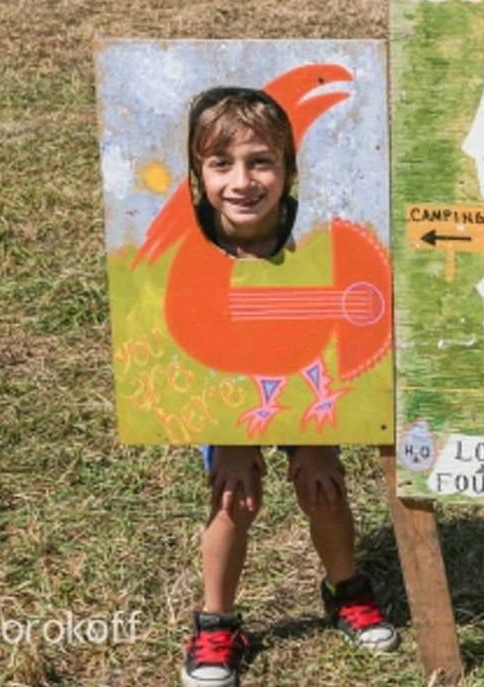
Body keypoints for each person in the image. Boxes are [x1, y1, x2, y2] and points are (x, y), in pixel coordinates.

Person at [180, 88, 398, 687]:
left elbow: (341, 324)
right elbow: (187, 335)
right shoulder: (190, 239)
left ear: (291, 169)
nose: (242, 181)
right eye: (221, 164)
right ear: (198, 174)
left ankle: (346, 588)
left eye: (261, 162)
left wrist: (321, 431)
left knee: (322, 485)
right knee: (233, 496)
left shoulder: (318, 228)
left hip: (308, 378)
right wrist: (226, 437)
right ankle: (216, 622)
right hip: (228, 387)